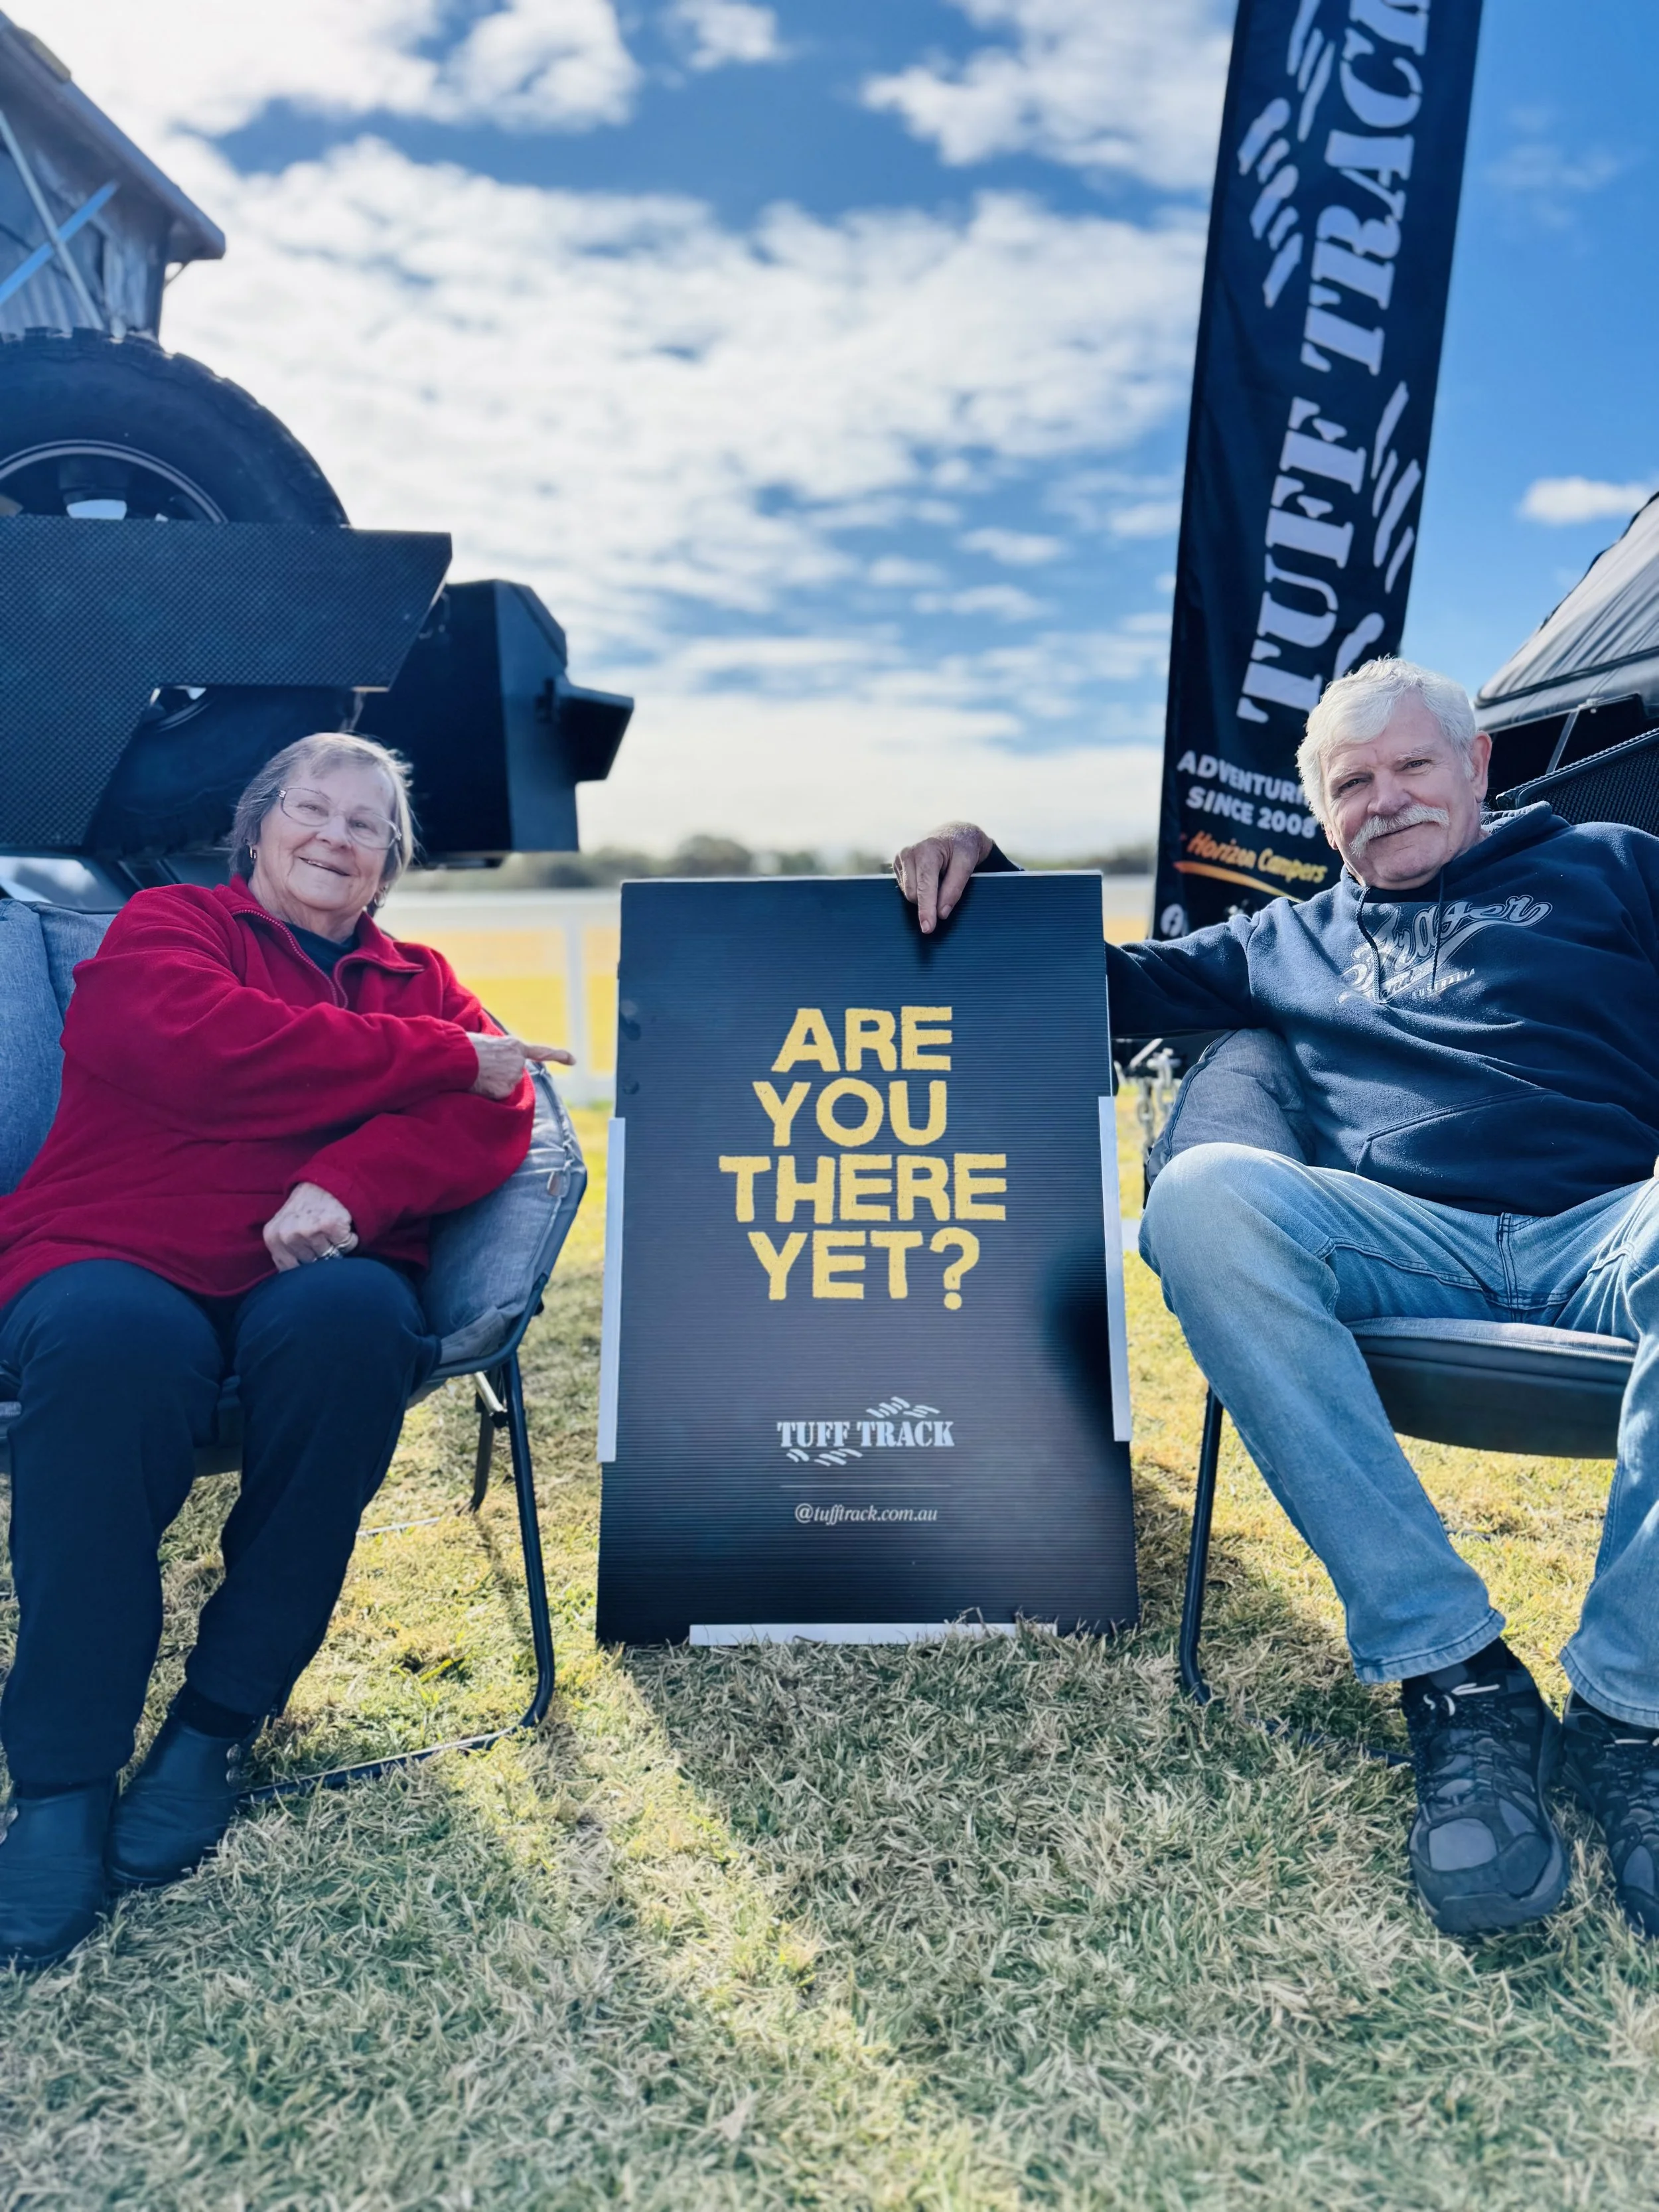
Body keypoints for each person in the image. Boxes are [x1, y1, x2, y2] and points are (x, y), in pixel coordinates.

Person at [897, 655, 1659, 1940]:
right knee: (1199, 1199)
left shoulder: (1613, 867)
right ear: (1320, 815)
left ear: (1475, 767)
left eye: (1412, 764)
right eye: (1350, 783)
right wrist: (985, 859)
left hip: (1606, 1222)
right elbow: (1106, 985)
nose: (1385, 797)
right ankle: (1456, 1674)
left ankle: (1628, 1712)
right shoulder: (1281, 938)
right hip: (1393, 1239)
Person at [0, 733, 573, 1970]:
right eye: (311, 809)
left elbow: (496, 1120)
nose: (335, 836)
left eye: (367, 825)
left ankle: (214, 1726)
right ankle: (60, 1784)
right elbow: (196, 1052)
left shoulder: (422, 975)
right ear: (257, 827)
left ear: (389, 864)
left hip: (311, 1266)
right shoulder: (170, 926)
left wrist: (348, 1182)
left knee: (358, 1328)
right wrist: (436, 1060)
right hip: (115, 1248)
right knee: (107, 1353)